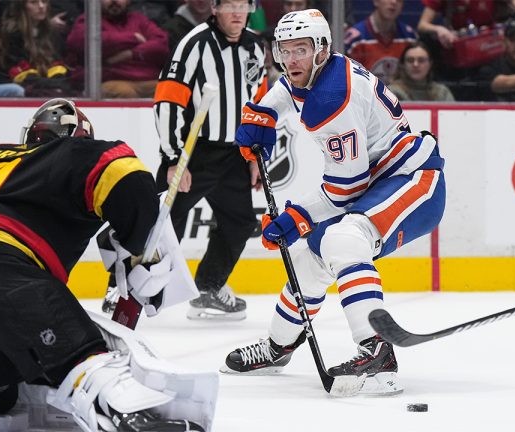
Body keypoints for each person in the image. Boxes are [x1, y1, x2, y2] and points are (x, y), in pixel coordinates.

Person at [0, 99, 206, 431]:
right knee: (81, 355)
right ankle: (136, 417)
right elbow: (123, 170)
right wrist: (137, 242)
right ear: (77, 137)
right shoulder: (70, 153)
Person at [224, 9, 446, 396]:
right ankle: (279, 346)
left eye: (300, 50)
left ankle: (377, 352)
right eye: (284, 50)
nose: (290, 60)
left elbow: (347, 188)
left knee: (344, 240)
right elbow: (287, 89)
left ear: (322, 50)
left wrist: (298, 216)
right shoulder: (316, 71)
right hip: (379, 181)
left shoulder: (331, 101)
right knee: (308, 260)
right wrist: (264, 112)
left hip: (413, 180)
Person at [128, 0, 268, 321]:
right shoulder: (194, 44)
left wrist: (253, 154)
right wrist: (176, 157)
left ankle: (208, 288)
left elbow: (259, 104)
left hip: (234, 152)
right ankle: (125, 289)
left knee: (241, 221)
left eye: (242, 5)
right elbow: (167, 101)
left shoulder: (255, 47)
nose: (237, 12)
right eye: (229, 5)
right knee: (161, 222)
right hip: (194, 152)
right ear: (215, 8)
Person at [66, 0, 169, 98]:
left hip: (148, 79)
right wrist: (133, 38)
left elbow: (162, 44)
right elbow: (81, 41)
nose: (114, 1)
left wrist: (131, 53)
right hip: (110, 80)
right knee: (124, 93)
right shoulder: (90, 21)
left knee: (169, 90)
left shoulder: (140, 20)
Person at [0, 0, 72, 97]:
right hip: (13, 93)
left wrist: (58, 85)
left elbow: (58, 67)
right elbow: (22, 77)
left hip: (44, 87)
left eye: (44, 2)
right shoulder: (11, 34)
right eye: (33, 2)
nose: (41, 6)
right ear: (22, 7)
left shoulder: (52, 33)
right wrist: (52, 86)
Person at [344, 0, 417, 84]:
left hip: (401, 96)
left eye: (399, 0)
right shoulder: (354, 40)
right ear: (376, 1)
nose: (394, 2)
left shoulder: (409, 37)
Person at [389, 41, 455, 101]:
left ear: (430, 64)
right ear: (403, 64)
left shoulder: (442, 92)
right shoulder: (391, 92)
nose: (415, 64)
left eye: (421, 60)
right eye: (410, 60)